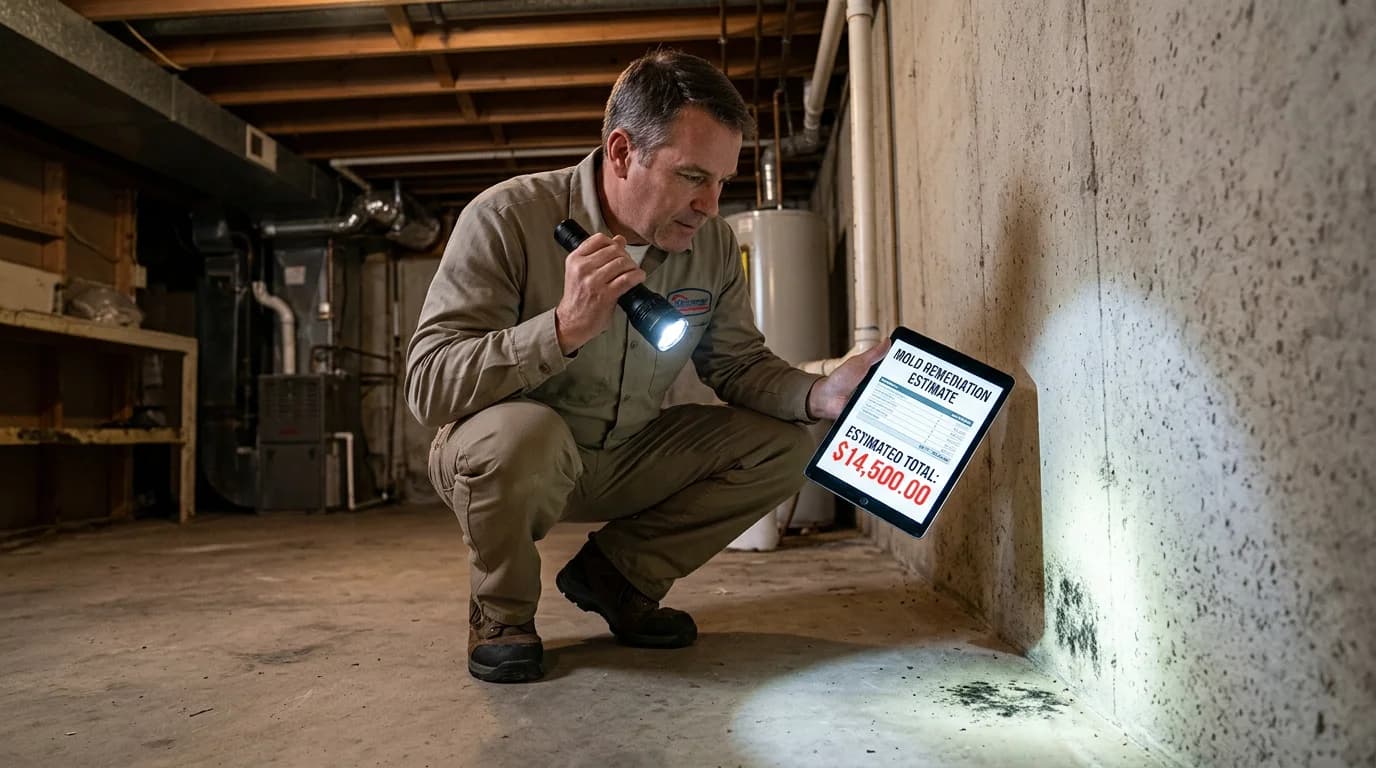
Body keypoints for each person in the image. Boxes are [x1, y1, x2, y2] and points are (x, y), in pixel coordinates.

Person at [405, 49, 887, 684]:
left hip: (625, 452)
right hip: (512, 459)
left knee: (788, 445)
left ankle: (619, 576)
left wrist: (821, 394)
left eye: (722, 181)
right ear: (623, 152)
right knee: (524, 437)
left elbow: (739, 363)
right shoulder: (506, 219)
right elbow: (428, 385)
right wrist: (559, 329)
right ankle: (502, 614)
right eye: (692, 176)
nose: (711, 205)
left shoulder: (709, 244)